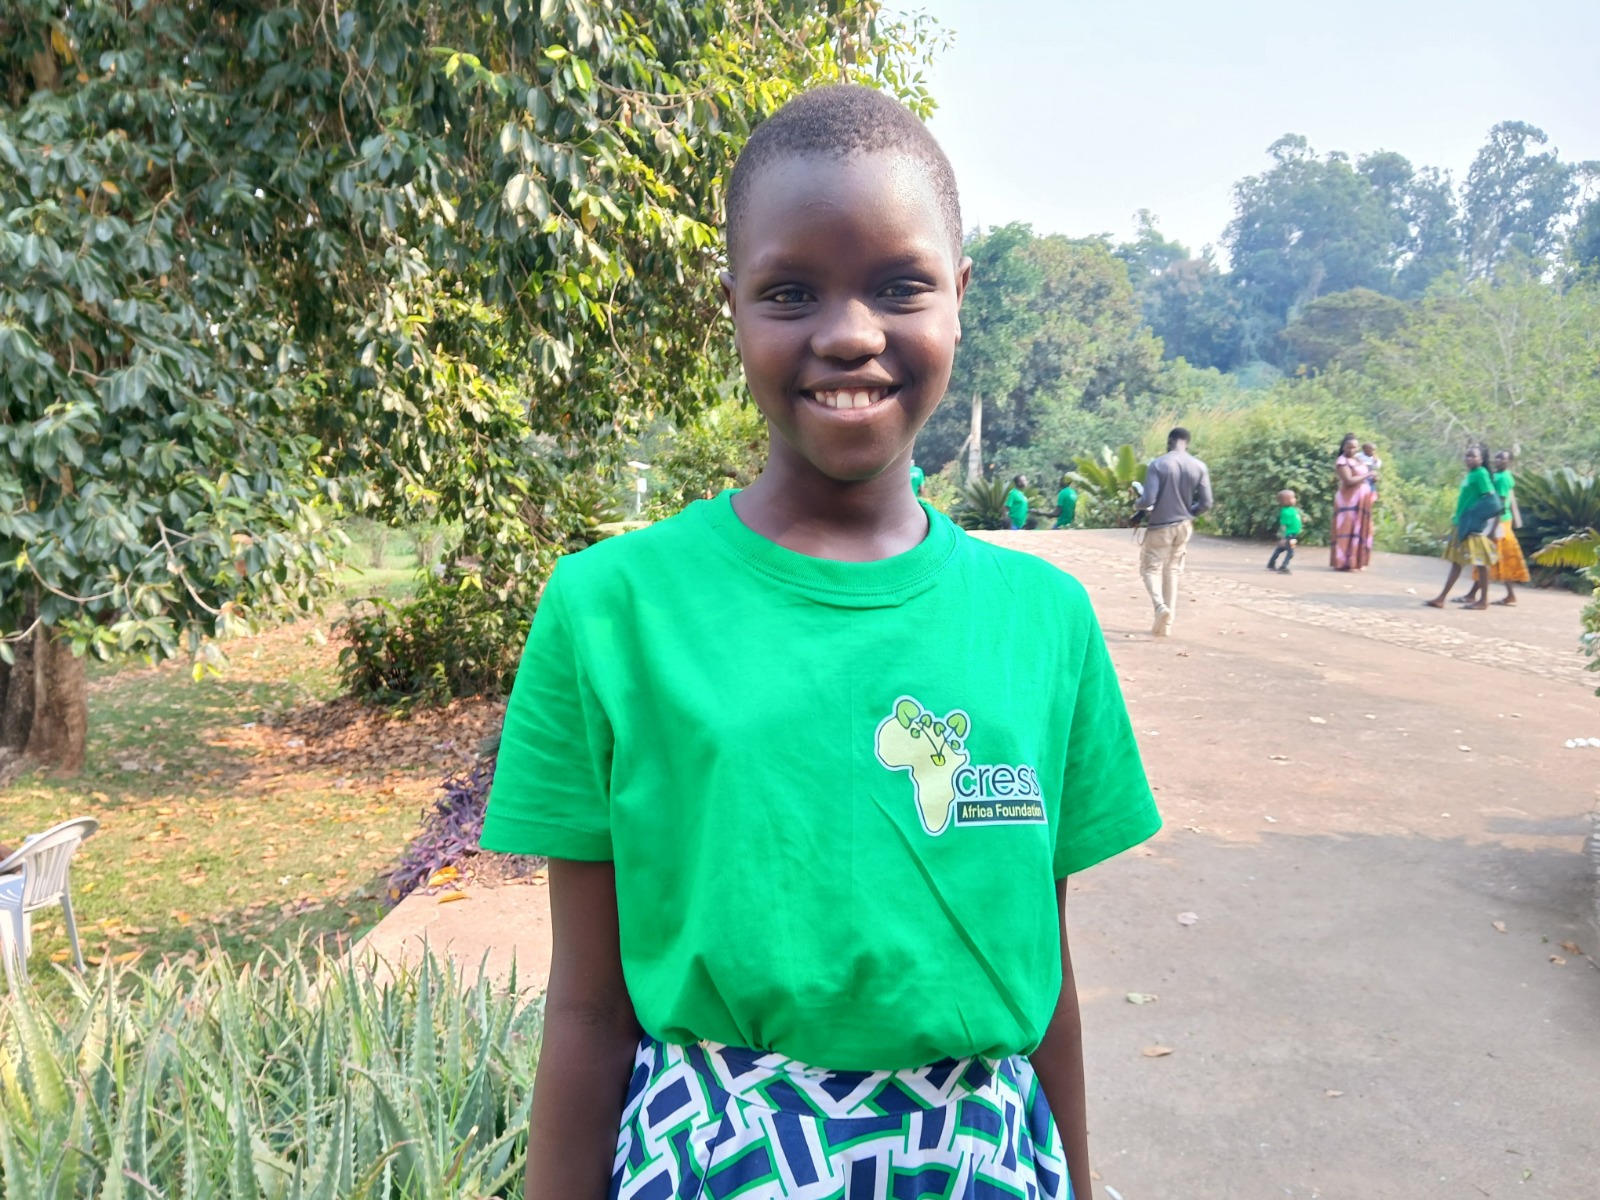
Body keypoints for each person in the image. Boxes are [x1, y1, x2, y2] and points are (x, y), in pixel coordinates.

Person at [480, 85, 1159, 1200]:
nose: (849, 333)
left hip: (986, 1167)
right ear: (733, 307)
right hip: (712, 1163)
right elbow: (589, 1010)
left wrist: (1081, 1186)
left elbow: (1043, 974)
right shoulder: (611, 609)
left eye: (899, 285)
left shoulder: (1044, 623)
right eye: (790, 291)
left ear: (959, 297)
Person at [1134, 427, 1213, 637]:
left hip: (1160, 526)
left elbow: (1148, 499)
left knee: (1150, 569)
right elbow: (1207, 502)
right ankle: (1166, 626)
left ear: (1170, 441)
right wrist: (1189, 512)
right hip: (1184, 526)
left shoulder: (1158, 464)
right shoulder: (1198, 466)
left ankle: (1160, 607)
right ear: (1187, 442)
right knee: (1172, 571)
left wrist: (1137, 505)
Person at [1425, 444, 1500, 610]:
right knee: (1457, 562)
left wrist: (1473, 517)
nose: (1469, 459)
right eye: (1467, 456)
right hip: (1462, 523)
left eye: (1473, 456)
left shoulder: (1481, 474)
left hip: (1472, 527)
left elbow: (1491, 500)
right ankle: (1441, 598)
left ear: (1481, 459)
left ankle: (1483, 600)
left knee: (1481, 563)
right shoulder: (1472, 474)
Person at [1459, 450, 1529, 606]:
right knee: (1497, 559)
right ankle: (1506, 595)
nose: (1498, 461)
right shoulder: (1497, 475)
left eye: (1502, 458)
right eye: (1497, 457)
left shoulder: (1503, 478)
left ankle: (1475, 595)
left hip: (1500, 523)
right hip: (1496, 521)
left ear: (1508, 461)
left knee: (1486, 558)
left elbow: (1501, 505)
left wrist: (1493, 529)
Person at [1330, 433, 1375, 571]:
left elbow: (1361, 477)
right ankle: (1342, 562)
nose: (1352, 450)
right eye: (1349, 447)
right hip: (1348, 500)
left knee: (1361, 529)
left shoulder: (1358, 460)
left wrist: (1372, 479)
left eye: (1355, 447)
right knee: (1346, 529)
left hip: (1361, 501)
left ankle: (1356, 561)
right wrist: (1368, 475)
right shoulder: (1342, 461)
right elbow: (1348, 480)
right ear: (1343, 447)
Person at [1266, 489, 1302, 574]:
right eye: (1292, 498)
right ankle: (1283, 567)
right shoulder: (1285, 512)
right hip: (1289, 536)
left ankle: (1271, 564)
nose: (1294, 499)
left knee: (1280, 549)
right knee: (1291, 552)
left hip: (1293, 535)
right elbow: (1283, 526)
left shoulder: (1291, 509)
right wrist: (1283, 538)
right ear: (1285, 501)